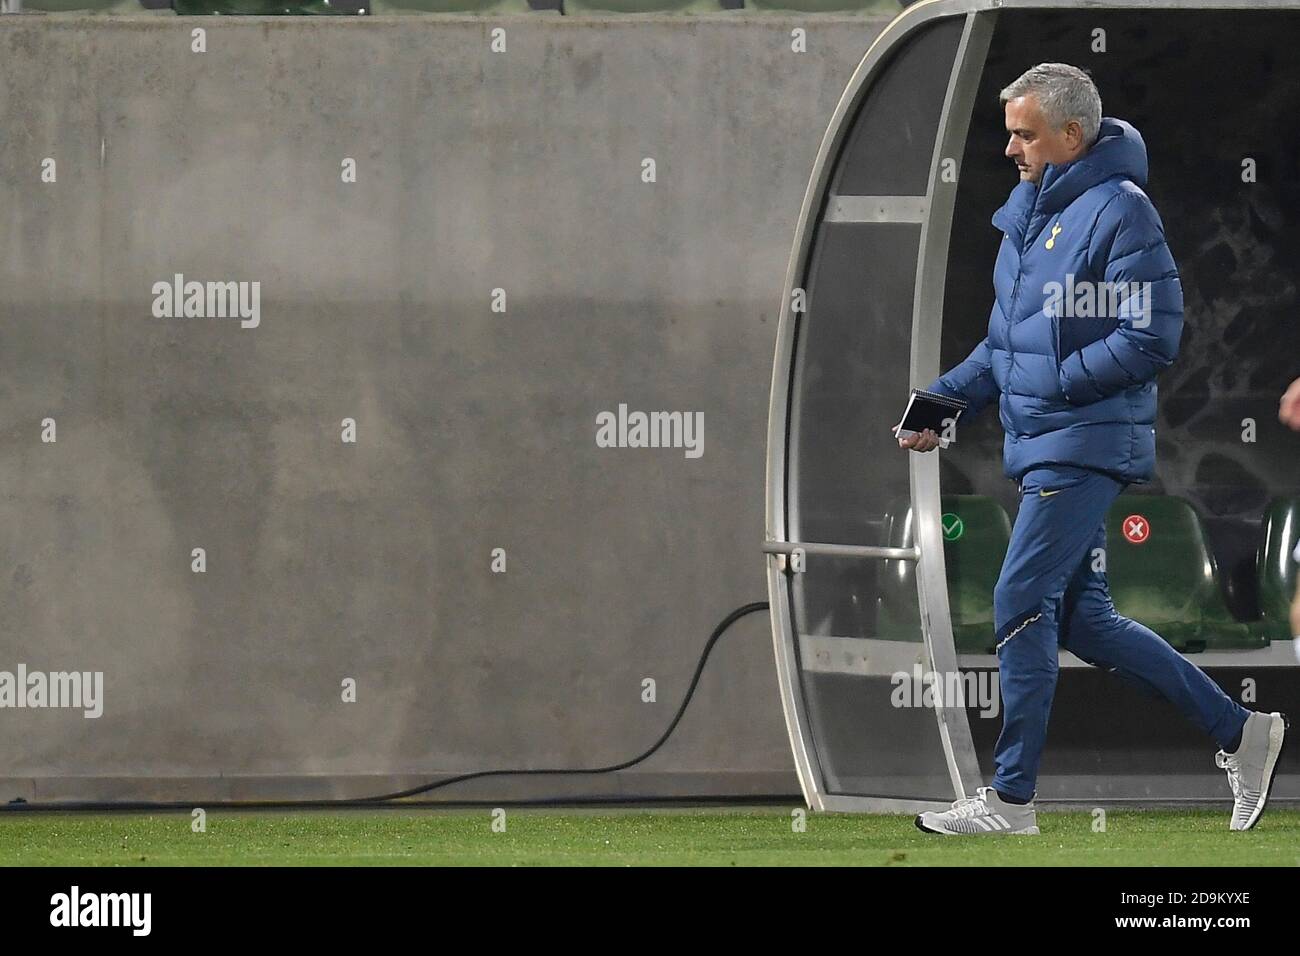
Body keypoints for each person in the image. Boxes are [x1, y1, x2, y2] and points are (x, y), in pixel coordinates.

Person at [897, 63, 1286, 835]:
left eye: (1025, 133)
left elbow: (1153, 333)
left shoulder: (1121, 212)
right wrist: (944, 399)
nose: (1010, 147)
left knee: (1016, 600)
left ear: (1071, 135)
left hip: (1082, 444)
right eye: (1009, 131)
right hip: (1045, 440)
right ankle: (1243, 733)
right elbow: (1010, 345)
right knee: (1085, 622)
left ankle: (1010, 801)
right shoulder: (1030, 212)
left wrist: (1061, 383)